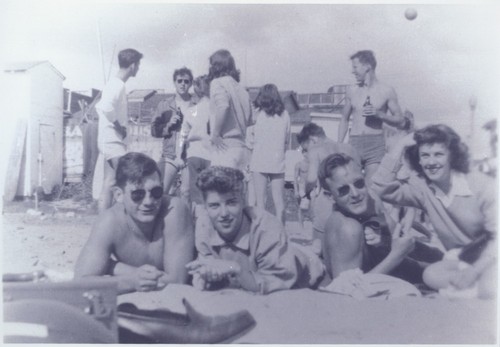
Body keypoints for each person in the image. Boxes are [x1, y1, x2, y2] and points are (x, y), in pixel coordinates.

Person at [371, 124, 497, 298]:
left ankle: (472, 291)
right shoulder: (423, 189)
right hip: (463, 260)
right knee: (430, 274)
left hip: (492, 257)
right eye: (425, 155)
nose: (431, 162)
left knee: (489, 284)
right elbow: (380, 189)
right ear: (419, 160)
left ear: (452, 156)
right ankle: (472, 291)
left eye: (438, 154)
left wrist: (474, 272)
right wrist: (399, 146)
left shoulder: (481, 185)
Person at [186, 166, 324, 294]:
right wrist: (206, 276)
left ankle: (312, 251)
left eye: (231, 203)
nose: (223, 214)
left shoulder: (267, 227)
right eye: (214, 206)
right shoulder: (204, 225)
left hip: (305, 279)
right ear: (205, 206)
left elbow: (277, 287)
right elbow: (205, 275)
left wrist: (234, 269)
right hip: (252, 280)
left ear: (243, 200)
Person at [75, 152, 195, 294]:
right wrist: (131, 281)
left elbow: (177, 281)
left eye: (156, 192)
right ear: (119, 195)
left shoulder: (174, 210)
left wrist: (115, 268)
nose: (148, 202)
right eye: (137, 194)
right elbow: (80, 283)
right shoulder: (110, 222)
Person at [317, 153, 423, 283]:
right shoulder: (347, 228)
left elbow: (404, 241)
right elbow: (345, 290)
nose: (355, 194)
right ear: (330, 196)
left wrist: (384, 242)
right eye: (344, 190)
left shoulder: (371, 199)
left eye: (359, 183)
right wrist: (396, 255)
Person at [338, 50, 407, 185]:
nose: (352, 71)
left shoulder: (386, 90)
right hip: (354, 143)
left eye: (355, 67)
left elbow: (401, 120)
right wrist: (340, 144)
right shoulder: (352, 90)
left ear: (367, 66)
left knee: (372, 189)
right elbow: (344, 119)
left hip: (375, 144)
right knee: (352, 185)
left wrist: (379, 114)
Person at [95, 48, 143, 212]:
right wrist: (119, 127)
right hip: (113, 140)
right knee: (127, 178)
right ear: (132, 65)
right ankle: (122, 219)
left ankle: (104, 221)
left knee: (110, 181)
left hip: (110, 140)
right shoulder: (117, 84)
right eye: (138, 65)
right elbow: (104, 107)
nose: (138, 68)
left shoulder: (115, 84)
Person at [297, 122, 361, 243]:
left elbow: (311, 179)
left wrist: (306, 193)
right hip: (350, 200)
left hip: (328, 201)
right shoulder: (349, 148)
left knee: (319, 246)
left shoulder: (316, 150)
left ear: (313, 139)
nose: (306, 152)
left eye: (306, 148)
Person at [249, 84, 291, 225]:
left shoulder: (257, 114)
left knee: (261, 202)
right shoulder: (285, 114)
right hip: (277, 161)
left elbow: (251, 138)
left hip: (259, 161)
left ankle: (263, 232)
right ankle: (281, 233)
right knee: (279, 202)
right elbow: (287, 139)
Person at [151, 67, 196, 195]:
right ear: (174, 82)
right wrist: (168, 125)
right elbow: (153, 131)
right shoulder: (164, 105)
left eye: (186, 81)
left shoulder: (196, 105)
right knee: (160, 191)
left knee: (188, 194)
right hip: (169, 155)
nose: (183, 84)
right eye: (179, 81)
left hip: (190, 156)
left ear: (191, 83)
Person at [207, 49, 253, 172]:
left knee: (219, 189)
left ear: (216, 66)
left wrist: (215, 134)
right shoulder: (242, 89)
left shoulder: (217, 83)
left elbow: (223, 107)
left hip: (224, 147)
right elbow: (251, 120)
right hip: (242, 149)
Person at [178, 75, 212, 207]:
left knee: (196, 193)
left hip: (194, 154)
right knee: (211, 190)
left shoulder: (191, 111)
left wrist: (180, 155)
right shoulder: (215, 109)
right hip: (211, 153)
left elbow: (183, 135)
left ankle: (199, 220)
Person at [293, 148, 310, 227]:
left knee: (312, 206)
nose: (306, 154)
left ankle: (311, 225)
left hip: (311, 187)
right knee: (301, 207)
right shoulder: (298, 164)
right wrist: (296, 190)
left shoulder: (313, 164)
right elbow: (295, 178)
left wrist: (318, 188)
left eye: (308, 152)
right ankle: (301, 225)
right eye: (305, 152)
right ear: (302, 153)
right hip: (302, 187)